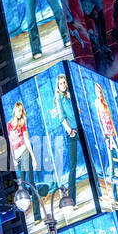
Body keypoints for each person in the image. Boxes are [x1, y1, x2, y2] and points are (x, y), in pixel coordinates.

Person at [47, 73, 79, 203]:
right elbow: (62, 117)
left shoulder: (69, 95)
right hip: (72, 131)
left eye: (64, 82)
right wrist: (69, 130)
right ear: (57, 86)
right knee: (73, 165)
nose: (63, 85)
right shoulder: (59, 98)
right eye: (61, 83)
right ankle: (72, 199)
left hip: (79, 128)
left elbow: (77, 110)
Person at [7, 100, 39, 220]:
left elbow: (27, 140)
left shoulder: (22, 123)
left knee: (31, 183)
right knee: (22, 186)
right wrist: (13, 158)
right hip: (17, 156)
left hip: (25, 153)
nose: (20, 113)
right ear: (15, 110)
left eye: (22, 111)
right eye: (19, 110)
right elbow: (10, 142)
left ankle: (37, 216)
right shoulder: (9, 125)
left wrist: (34, 158)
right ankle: (27, 215)